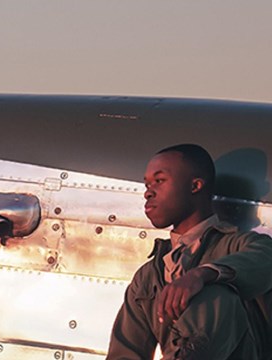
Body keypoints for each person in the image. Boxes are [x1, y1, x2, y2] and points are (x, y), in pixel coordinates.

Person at [107, 144, 272, 360]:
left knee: (216, 294)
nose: (148, 192)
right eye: (146, 184)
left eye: (159, 180)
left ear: (195, 186)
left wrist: (203, 275)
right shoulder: (148, 278)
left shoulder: (241, 245)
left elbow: (266, 259)